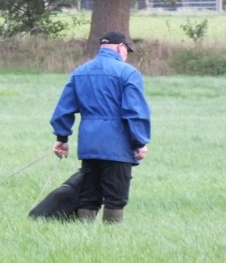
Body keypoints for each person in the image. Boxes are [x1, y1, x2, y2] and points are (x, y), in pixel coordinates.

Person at [49, 31, 151, 223]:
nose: (127, 55)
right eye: (127, 51)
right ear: (121, 47)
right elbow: (135, 111)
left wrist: (61, 138)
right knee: (116, 195)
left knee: (89, 192)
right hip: (117, 144)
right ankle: (111, 236)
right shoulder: (128, 73)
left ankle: (84, 233)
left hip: (88, 143)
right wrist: (140, 142)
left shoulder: (80, 72)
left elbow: (64, 109)